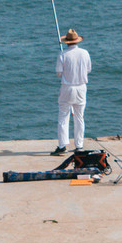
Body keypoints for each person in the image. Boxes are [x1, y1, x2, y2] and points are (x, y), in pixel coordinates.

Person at [52, 28, 91, 156]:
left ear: (66, 42)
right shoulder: (85, 53)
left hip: (67, 88)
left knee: (63, 116)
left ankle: (62, 145)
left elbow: (59, 74)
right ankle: (79, 145)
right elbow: (88, 70)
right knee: (79, 117)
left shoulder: (62, 54)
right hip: (81, 88)